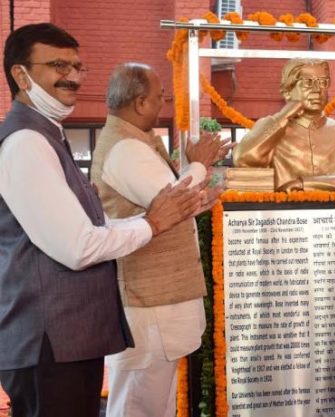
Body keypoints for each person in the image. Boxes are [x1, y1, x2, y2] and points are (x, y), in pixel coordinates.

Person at [0, 23, 202, 417]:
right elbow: (79, 247)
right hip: (49, 343)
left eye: (78, 66)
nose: (72, 76)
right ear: (21, 75)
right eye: (58, 65)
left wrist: (152, 219)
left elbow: (89, 230)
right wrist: (152, 224)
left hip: (69, 340)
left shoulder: (48, 136)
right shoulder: (26, 143)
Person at [89, 63, 230, 417]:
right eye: (159, 97)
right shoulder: (126, 149)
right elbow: (175, 200)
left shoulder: (134, 142)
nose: (163, 104)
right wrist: (197, 164)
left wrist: (202, 193)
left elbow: (170, 205)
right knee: (140, 406)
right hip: (147, 308)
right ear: (139, 103)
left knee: (156, 405)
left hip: (155, 308)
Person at [232, 58, 335, 191]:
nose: (317, 90)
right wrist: (284, 115)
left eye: (323, 82)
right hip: (282, 210)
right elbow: (243, 159)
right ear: (287, 92)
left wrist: (303, 184)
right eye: (308, 83)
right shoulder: (272, 129)